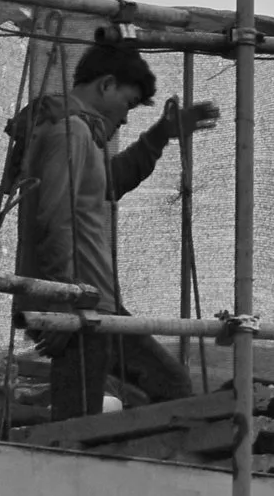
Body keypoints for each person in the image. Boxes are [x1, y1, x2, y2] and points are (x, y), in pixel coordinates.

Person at [15, 30, 217, 420]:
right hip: (78, 301)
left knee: (154, 388)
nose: (125, 116)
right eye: (128, 103)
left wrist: (160, 135)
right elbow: (54, 219)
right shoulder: (70, 133)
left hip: (88, 299)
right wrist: (63, 301)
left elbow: (109, 183)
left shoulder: (78, 135)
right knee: (84, 413)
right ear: (106, 85)